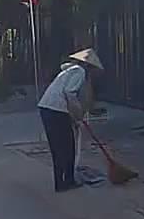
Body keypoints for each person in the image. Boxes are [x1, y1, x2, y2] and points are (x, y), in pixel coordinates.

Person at [37, 48, 103, 192]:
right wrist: (77, 114)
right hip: (56, 110)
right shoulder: (79, 71)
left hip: (46, 108)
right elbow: (69, 93)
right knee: (67, 148)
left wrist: (74, 116)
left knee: (57, 148)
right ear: (89, 66)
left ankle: (60, 183)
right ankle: (68, 181)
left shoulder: (68, 70)